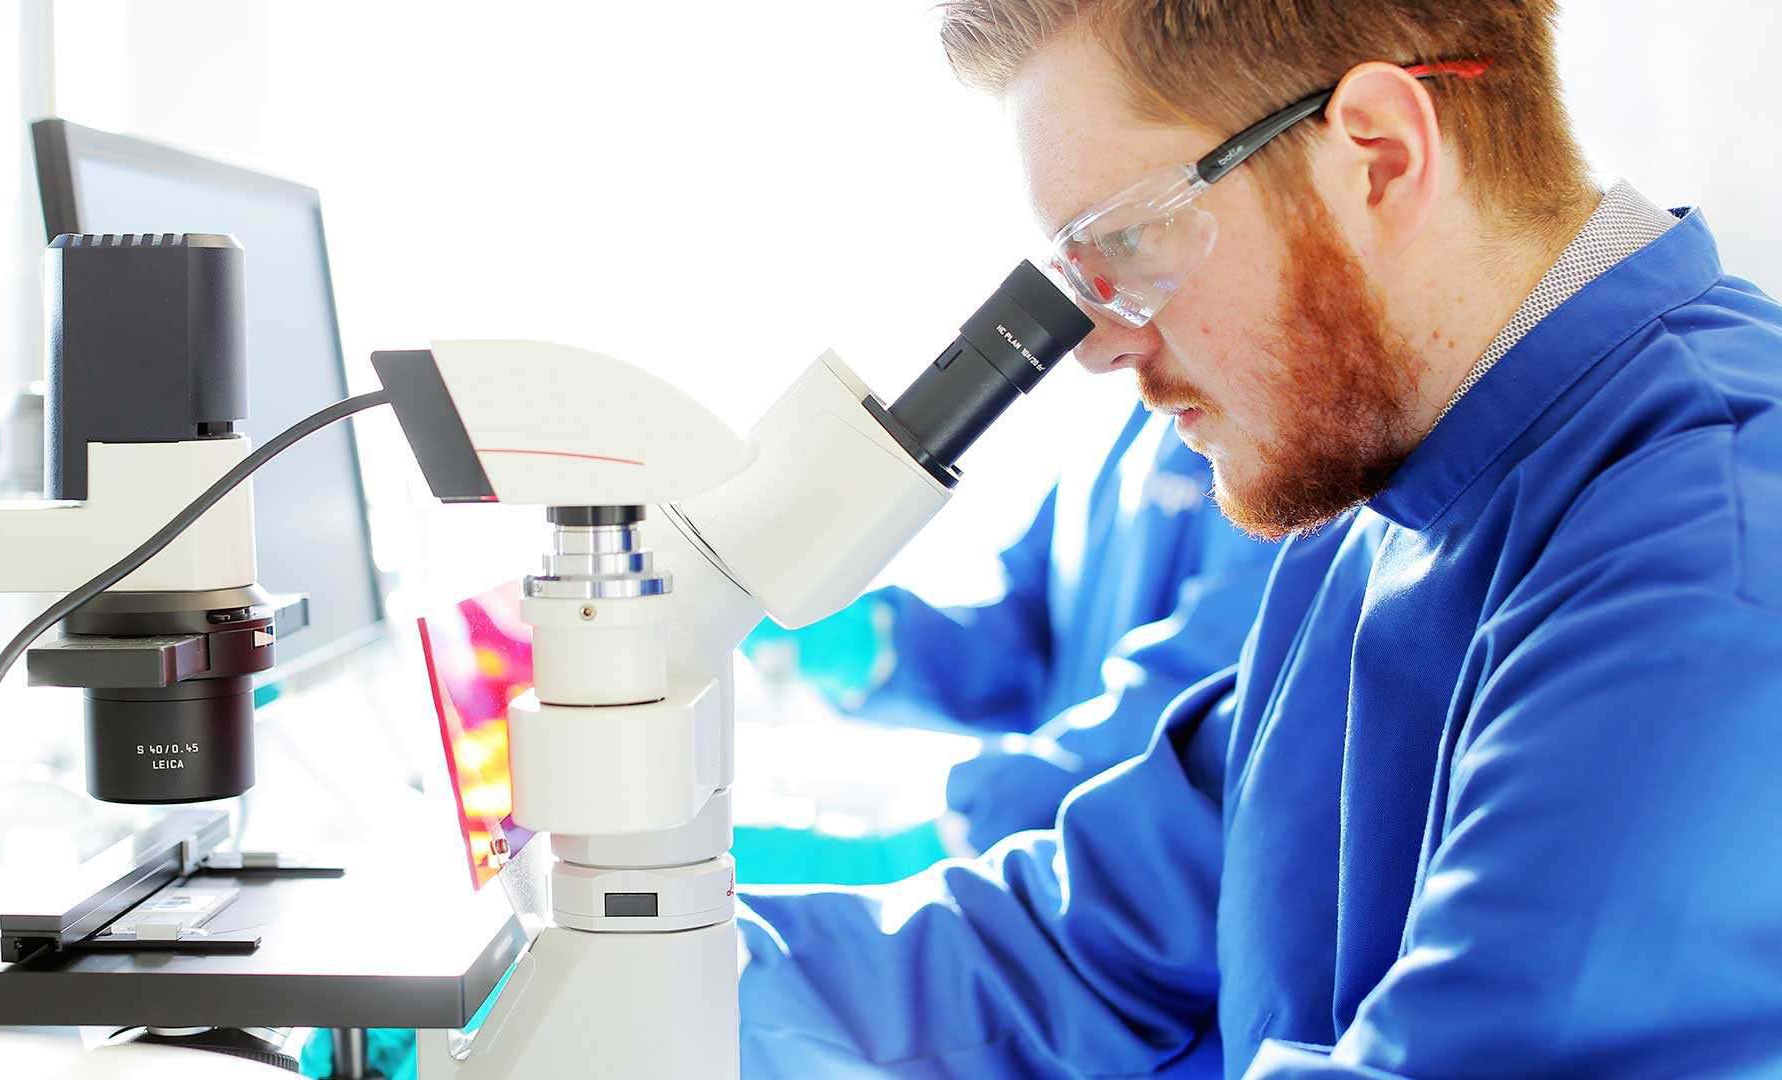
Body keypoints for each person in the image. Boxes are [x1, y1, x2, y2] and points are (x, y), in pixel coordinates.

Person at [737, 2, 1782, 1077]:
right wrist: (678, 968)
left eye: (1126, 242)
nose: (1095, 348)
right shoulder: (1374, 505)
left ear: (1377, 157)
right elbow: (1087, 946)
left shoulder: (1716, 554)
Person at [743, 404, 1276, 851]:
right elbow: (1033, 633)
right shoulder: (1119, 416)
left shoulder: (1264, 428)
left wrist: (966, 832)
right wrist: (874, 644)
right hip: (1070, 854)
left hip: (1153, 869)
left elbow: (1205, 696)